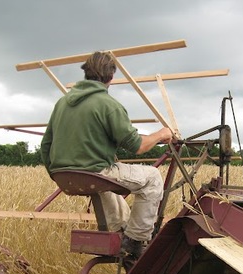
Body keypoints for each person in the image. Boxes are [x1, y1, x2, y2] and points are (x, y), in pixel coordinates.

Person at [40, 51, 174, 259]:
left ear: (85, 74)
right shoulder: (108, 105)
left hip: (63, 176)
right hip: (94, 172)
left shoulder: (62, 103)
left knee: (105, 183)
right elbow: (137, 146)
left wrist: (57, 174)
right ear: (111, 77)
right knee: (152, 177)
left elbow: (45, 145)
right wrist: (161, 134)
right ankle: (136, 240)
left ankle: (119, 234)